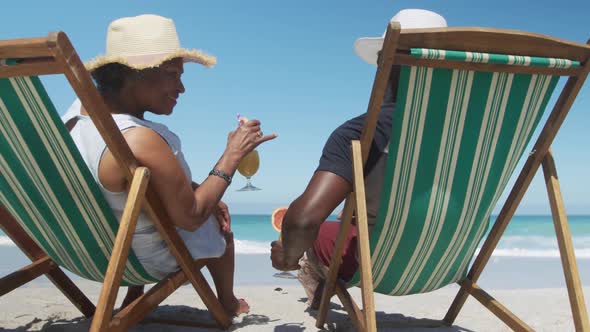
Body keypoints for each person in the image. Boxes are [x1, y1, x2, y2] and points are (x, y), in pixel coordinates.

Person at [65, 14, 276, 316]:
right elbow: (190, 217)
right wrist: (233, 154)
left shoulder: (73, 121)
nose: (181, 88)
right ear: (134, 73)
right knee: (218, 227)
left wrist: (195, 188)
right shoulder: (141, 139)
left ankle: (130, 301)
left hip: (84, 253)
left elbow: (122, 187)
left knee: (146, 210)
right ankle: (227, 303)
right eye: (173, 74)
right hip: (137, 261)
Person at [270, 9, 447, 307]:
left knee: (318, 233)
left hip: (379, 264)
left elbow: (302, 222)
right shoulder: (477, 130)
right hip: (445, 260)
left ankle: (311, 275)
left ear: (385, 64)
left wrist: (287, 256)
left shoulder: (362, 132)